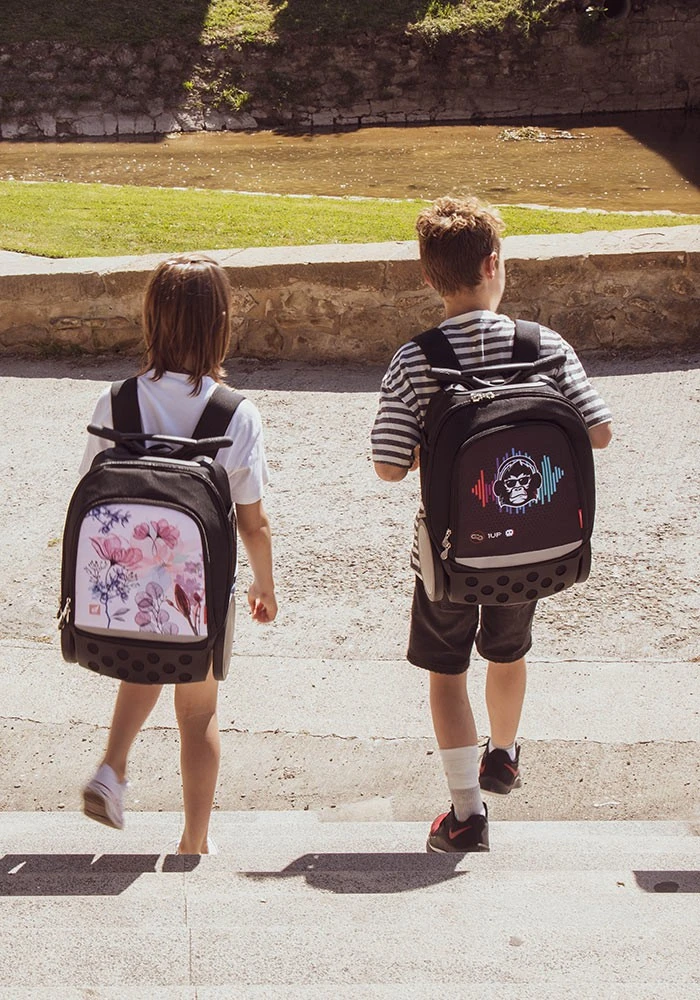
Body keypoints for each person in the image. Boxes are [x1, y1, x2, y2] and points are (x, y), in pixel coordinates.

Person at [371, 196, 612, 853]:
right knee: (509, 651)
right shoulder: (544, 345)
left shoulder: (416, 360)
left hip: (449, 555)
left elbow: (388, 466)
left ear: (429, 278)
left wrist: (426, 450)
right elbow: (599, 432)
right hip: (531, 542)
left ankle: (466, 815)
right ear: (494, 263)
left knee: (447, 671)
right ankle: (502, 753)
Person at [80, 253, 277, 854]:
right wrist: (264, 585)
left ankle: (112, 767)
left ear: (152, 320)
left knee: (145, 663)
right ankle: (194, 842)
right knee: (197, 712)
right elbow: (253, 521)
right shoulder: (235, 413)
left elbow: (90, 490)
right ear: (221, 324)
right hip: (196, 591)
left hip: (127, 591)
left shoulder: (115, 400)